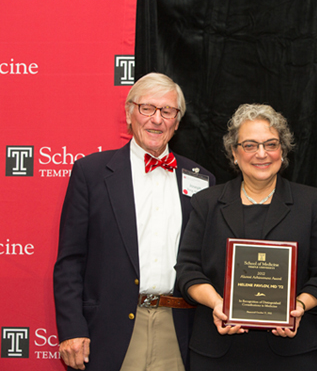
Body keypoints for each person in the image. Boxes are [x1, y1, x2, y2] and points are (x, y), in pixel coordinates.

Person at [53, 72, 215, 371]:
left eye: (167, 111)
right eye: (147, 108)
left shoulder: (202, 180)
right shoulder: (91, 173)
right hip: (109, 329)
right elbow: (70, 261)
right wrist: (72, 328)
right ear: (129, 114)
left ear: (177, 122)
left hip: (178, 327)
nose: (157, 119)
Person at [175, 103, 317, 370]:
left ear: (283, 150)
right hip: (217, 351)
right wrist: (218, 304)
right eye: (250, 145)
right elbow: (187, 270)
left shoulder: (310, 202)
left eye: (270, 144)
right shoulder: (206, 202)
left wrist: (298, 306)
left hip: (292, 350)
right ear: (234, 152)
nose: (261, 154)